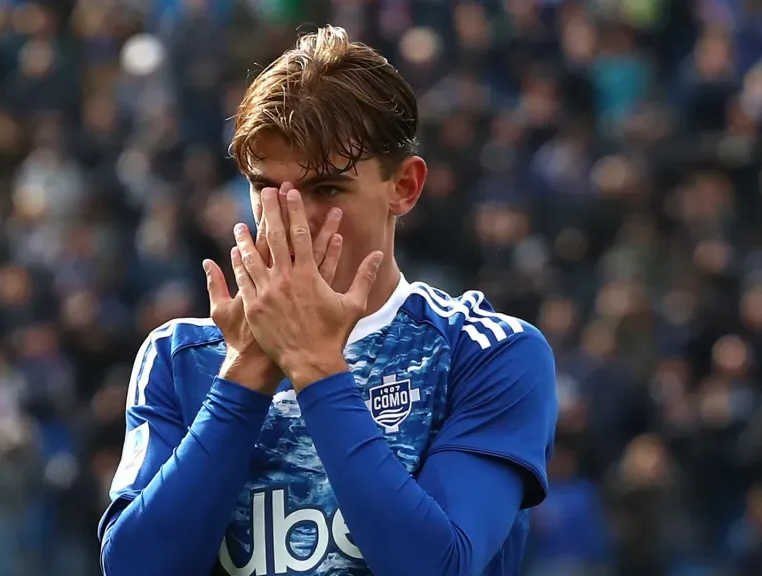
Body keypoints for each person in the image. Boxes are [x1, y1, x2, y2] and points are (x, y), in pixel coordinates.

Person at [98, 26, 558, 576]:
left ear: (404, 188)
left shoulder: (484, 352)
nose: (291, 218)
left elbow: (440, 567)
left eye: (326, 190)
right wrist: (247, 370)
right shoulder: (181, 357)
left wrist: (316, 366)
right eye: (267, 188)